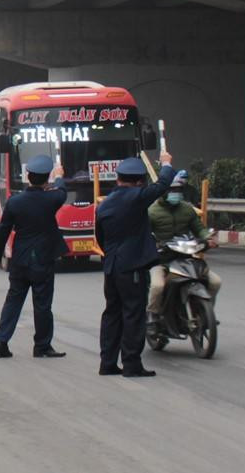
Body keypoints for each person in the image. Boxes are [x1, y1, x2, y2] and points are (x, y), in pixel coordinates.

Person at [95, 151, 175, 378]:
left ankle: (107, 362)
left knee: (112, 314)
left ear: (118, 178)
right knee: (133, 315)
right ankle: (131, 364)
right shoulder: (137, 197)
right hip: (132, 268)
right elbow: (162, 184)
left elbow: (100, 237)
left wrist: (112, 254)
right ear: (139, 181)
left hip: (111, 266)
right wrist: (166, 164)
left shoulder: (105, 205)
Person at [0, 156, 67, 359]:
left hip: (20, 259)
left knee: (13, 301)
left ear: (28, 177)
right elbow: (62, 192)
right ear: (46, 178)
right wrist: (59, 177)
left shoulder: (15, 202)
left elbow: (3, 231)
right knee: (42, 305)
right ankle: (41, 346)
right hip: (42, 259)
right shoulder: (52, 199)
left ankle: (1, 339)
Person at [147, 169, 221, 324]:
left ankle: (206, 313)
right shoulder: (152, 212)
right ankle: (153, 315)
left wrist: (208, 238)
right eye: (173, 190)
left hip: (187, 258)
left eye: (179, 190)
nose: (176, 193)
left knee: (215, 282)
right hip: (162, 260)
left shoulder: (187, 209)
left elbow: (199, 229)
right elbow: (145, 235)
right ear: (165, 191)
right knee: (157, 286)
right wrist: (153, 245)